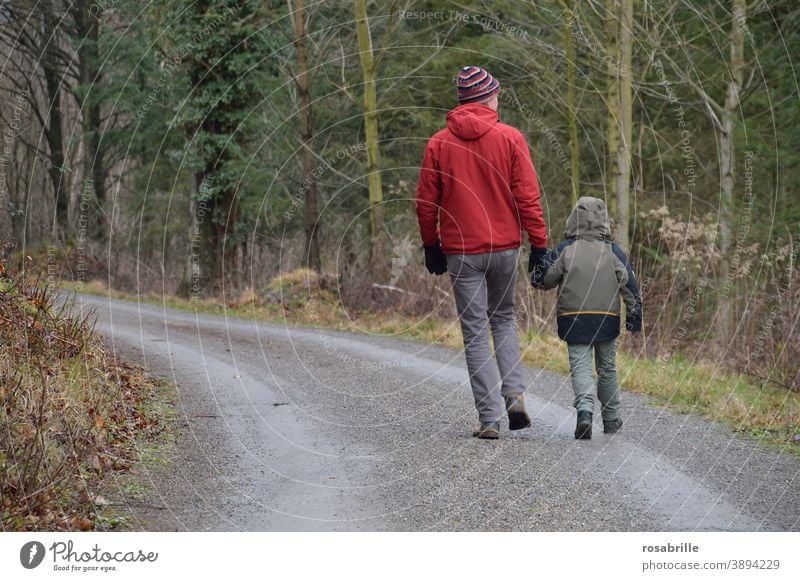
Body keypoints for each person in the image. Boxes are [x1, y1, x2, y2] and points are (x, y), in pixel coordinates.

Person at [415, 66, 549, 440]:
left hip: (461, 251)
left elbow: (426, 202)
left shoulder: (438, 143)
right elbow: (527, 196)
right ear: (488, 97)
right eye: (496, 95)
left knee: (475, 332)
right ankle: (515, 398)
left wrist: (431, 243)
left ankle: (489, 419)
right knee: (503, 319)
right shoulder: (511, 138)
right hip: (505, 247)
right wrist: (539, 243)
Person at [533, 196, 642, 439]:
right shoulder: (613, 251)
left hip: (574, 317)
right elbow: (630, 286)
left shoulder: (564, 249)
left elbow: (545, 279)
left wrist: (536, 274)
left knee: (580, 366)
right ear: (604, 221)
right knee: (607, 368)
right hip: (607, 318)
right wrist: (634, 318)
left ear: (575, 220)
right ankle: (612, 419)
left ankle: (584, 412)